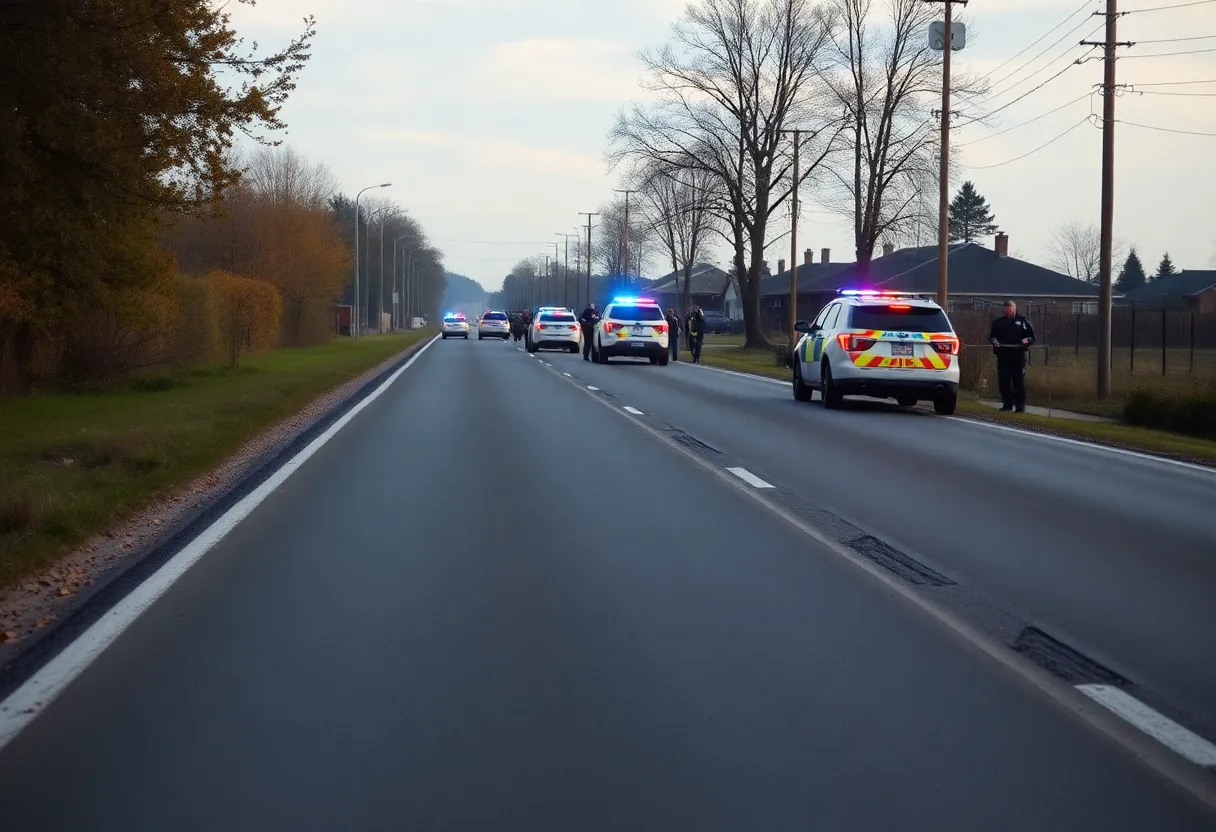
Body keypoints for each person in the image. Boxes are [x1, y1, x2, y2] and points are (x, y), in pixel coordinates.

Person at [988, 300, 1036, 412]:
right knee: (1004, 381)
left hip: (1018, 355)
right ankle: (1007, 405)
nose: (1008, 312)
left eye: (1010, 310)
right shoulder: (998, 323)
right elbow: (992, 337)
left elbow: (1032, 337)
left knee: (1018, 381)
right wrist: (995, 343)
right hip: (1003, 355)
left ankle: (1020, 406)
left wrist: (1026, 340)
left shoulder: (1023, 321)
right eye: (1006, 310)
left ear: (1014, 309)